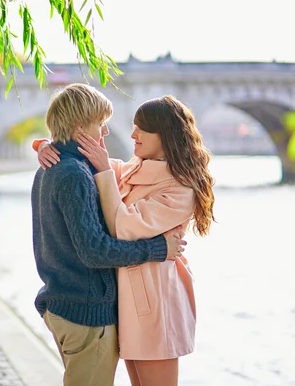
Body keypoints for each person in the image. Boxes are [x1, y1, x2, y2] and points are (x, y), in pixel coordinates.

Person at [35, 95, 215, 386]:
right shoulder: (134, 168)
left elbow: (125, 226)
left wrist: (106, 171)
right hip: (124, 304)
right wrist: (44, 146)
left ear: (166, 134)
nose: (133, 135)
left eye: (142, 129)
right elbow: (79, 153)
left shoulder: (180, 187)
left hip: (155, 304)